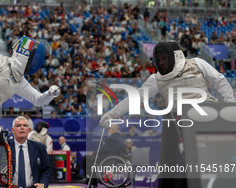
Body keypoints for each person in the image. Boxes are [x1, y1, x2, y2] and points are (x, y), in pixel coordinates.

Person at [100, 41, 236, 128]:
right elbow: (136, 97)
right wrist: (112, 114)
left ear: (174, 56)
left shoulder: (196, 63)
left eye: (164, 58)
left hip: (210, 110)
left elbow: (219, 80)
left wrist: (231, 104)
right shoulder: (157, 79)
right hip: (185, 121)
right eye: (159, 60)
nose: (162, 63)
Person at [8, 116, 52, 188]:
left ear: (29, 130)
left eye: (25, 125)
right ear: (13, 130)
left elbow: (47, 169)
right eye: (18, 126)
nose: (22, 128)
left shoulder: (40, 148)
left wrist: (42, 183)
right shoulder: (4, 147)